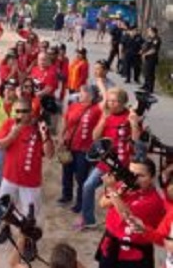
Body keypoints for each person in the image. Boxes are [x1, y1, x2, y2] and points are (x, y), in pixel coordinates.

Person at [76, 87, 140, 231]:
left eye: (115, 101)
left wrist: (134, 123)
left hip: (123, 164)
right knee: (88, 186)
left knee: (118, 196)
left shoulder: (130, 116)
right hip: (105, 162)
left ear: (123, 103)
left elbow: (137, 140)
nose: (111, 104)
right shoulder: (106, 115)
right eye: (109, 101)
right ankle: (88, 220)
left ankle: (120, 223)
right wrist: (104, 118)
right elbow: (94, 137)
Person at [95, 158, 164, 268]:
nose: (134, 179)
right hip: (110, 244)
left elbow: (127, 217)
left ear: (152, 178)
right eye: (131, 174)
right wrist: (118, 192)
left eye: (141, 175)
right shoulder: (124, 185)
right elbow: (103, 203)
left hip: (133, 254)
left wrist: (112, 190)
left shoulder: (153, 200)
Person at [0, 98, 54, 221]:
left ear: (31, 112)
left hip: (30, 181)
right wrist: (12, 134)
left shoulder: (39, 128)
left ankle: (23, 239)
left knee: (29, 218)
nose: (20, 114)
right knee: (3, 209)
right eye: (17, 111)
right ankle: (6, 229)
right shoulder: (9, 124)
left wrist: (44, 136)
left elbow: (49, 154)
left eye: (24, 111)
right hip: (9, 177)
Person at [57, 85, 102, 213]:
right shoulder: (73, 106)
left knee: (81, 176)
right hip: (69, 145)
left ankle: (80, 202)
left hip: (84, 148)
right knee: (67, 171)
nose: (80, 94)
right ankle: (66, 195)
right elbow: (65, 121)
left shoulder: (96, 110)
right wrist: (61, 136)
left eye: (83, 92)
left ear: (91, 96)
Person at [141, 26, 161, 93]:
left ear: (153, 31)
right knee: (146, 72)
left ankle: (150, 88)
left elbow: (153, 50)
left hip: (152, 59)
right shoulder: (149, 38)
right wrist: (142, 52)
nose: (148, 32)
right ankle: (145, 85)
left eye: (149, 31)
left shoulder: (156, 39)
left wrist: (145, 54)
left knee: (150, 73)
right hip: (147, 58)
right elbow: (146, 46)